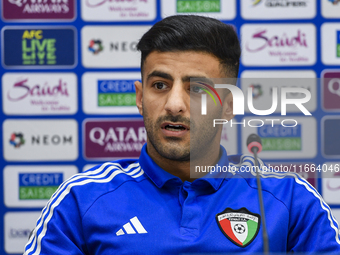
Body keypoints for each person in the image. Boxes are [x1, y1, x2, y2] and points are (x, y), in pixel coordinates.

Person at [24, 15, 340, 254]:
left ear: (228, 105)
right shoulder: (81, 200)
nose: (174, 104)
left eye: (197, 89)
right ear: (139, 96)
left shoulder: (290, 199)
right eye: (159, 85)